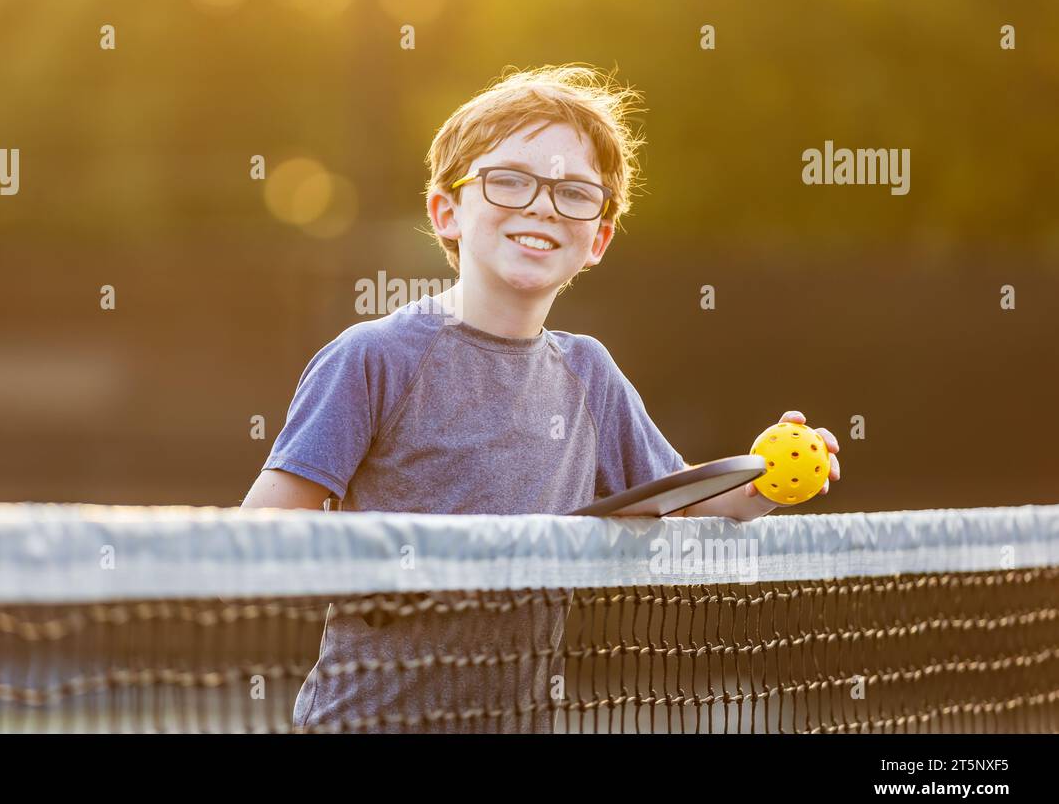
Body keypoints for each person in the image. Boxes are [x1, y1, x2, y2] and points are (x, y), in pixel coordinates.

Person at [240, 64, 841, 731]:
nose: (543, 205)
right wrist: (386, 558)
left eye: (574, 193)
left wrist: (766, 479)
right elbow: (263, 529)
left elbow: (683, 502)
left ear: (598, 240)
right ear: (448, 211)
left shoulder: (591, 373)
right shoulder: (373, 358)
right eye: (510, 181)